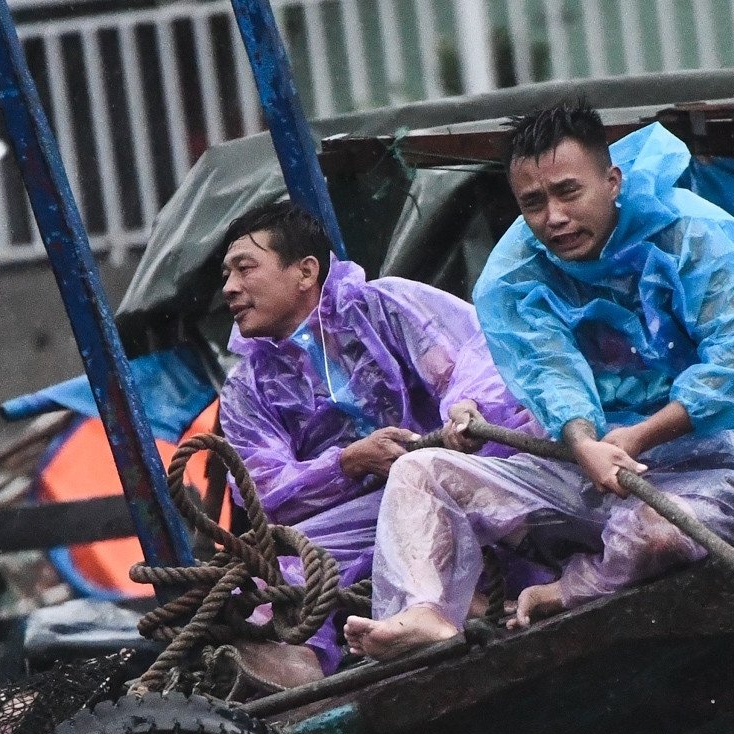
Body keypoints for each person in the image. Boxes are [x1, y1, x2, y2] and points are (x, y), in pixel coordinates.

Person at [344, 100, 734, 659]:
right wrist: (584, 441)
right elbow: (552, 375)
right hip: (578, 465)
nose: (555, 218)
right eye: (534, 203)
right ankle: (422, 611)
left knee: (657, 536)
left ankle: (568, 589)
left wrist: (638, 438)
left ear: (611, 180)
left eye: (569, 192)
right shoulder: (520, 272)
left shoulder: (686, 239)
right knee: (421, 470)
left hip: (703, 462)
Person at [215, 201, 533, 686]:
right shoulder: (246, 387)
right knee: (282, 570)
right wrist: (347, 463)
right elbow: (262, 491)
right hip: (358, 518)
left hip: (453, 475)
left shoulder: (385, 305)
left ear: (305, 272)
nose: (229, 288)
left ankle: (491, 593)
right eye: (226, 274)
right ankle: (303, 658)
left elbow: (478, 358)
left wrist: (462, 413)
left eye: (244, 269)